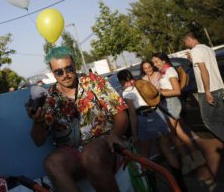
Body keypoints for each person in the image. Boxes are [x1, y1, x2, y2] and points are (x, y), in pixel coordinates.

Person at [27, 46, 128, 191]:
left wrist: (114, 135)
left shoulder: (93, 81)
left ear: (74, 65)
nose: (65, 75)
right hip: (73, 153)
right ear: (53, 74)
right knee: (52, 163)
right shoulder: (50, 97)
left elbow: (120, 114)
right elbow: (38, 141)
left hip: (104, 144)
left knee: (90, 154)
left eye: (69, 69)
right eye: (59, 72)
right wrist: (37, 121)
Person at [117, 69, 187, 191]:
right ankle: (180, 183)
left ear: (121, 81)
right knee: (167, 150)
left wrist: (134, 134)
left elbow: (132, 114)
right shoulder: (142, 83)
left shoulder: (127, 92)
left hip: (143, 119)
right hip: (157, 114)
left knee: (145, 156)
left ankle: (153, 186)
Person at [151, 52, 211, 177]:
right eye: (153, 63)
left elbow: (177, 91)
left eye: (156, 62)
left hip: (171, 103)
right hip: (169, 103)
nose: (155, 65)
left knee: (172, 135)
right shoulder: (164, 72)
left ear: (163, 60)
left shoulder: (170, 71)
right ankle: (195, 159)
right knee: (179, 133)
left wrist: (161, 92)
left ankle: (189, 161)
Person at [183, 32, 224, 142]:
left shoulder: (195, 50)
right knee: (220, 119)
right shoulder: (208, 49)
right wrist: (192, 60)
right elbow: (208, 66)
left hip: (209, 89)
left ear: (189, 40)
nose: (186, 45)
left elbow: (204, 71)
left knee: (208, 121)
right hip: (219, 87)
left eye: (185, 42)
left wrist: (207, 91)